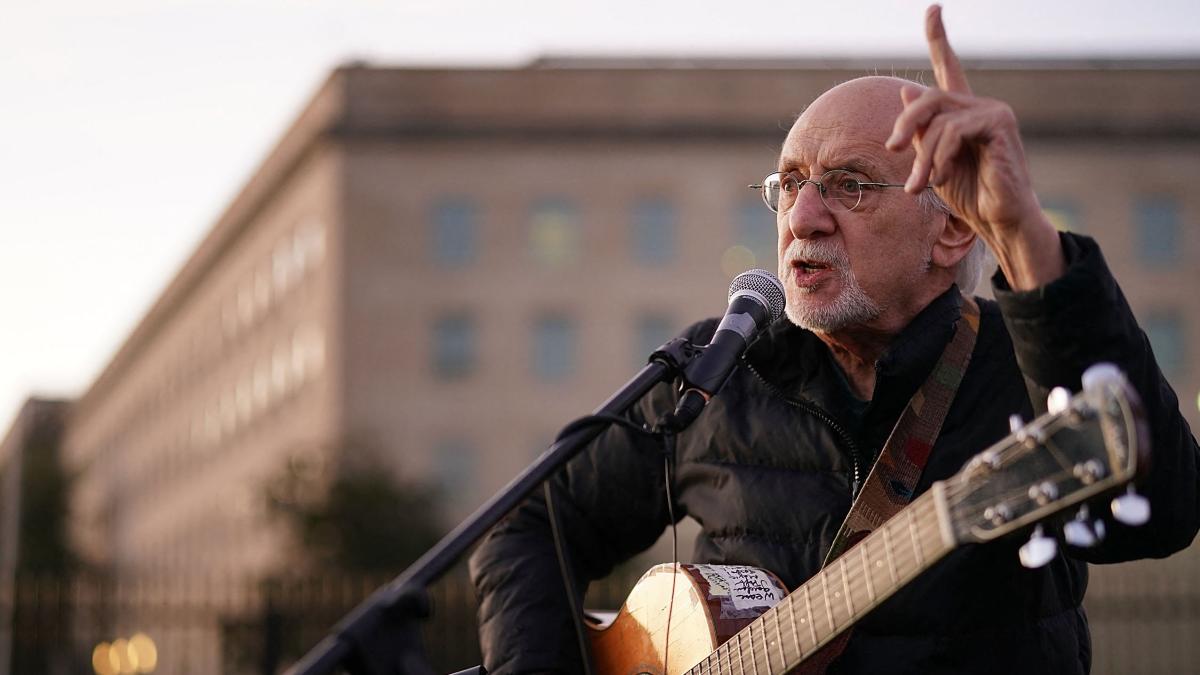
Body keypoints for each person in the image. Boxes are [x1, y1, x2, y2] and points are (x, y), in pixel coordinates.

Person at [469, 6, 1200, 674]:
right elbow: (528, 523)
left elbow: (1163, 509)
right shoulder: (718, 368)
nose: (803, 217)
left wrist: (1022, 235)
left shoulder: (1028, 358)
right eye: (789, 183)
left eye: (850, 184)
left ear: (950, 228)